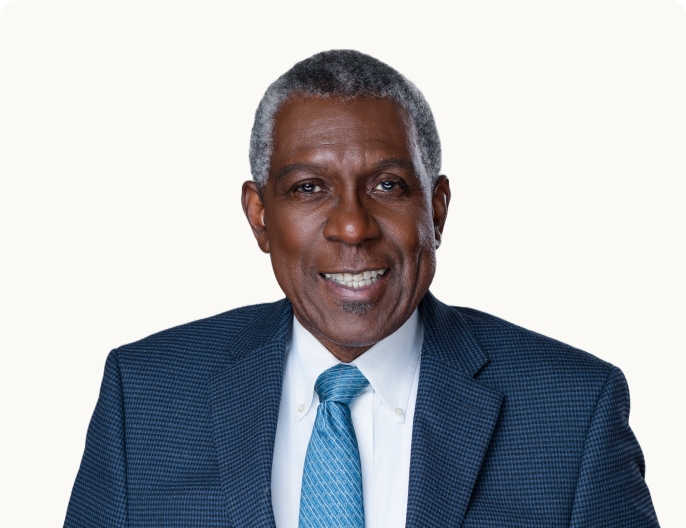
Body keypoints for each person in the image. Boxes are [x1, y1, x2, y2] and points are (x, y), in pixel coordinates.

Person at [64, 50, 659, 527]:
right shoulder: (145, 398)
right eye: (308, 187)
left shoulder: (573, 412)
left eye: (388, 185)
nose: (352, 227)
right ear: (259, 216)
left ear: (437, 209)